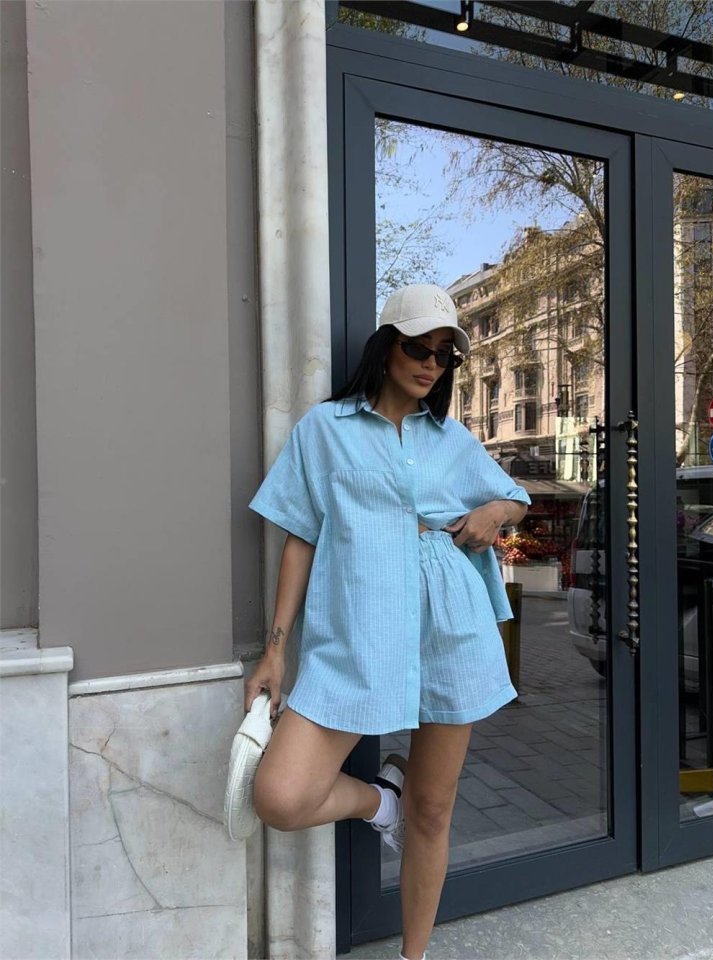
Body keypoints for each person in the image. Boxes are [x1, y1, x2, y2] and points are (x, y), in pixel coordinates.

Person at [245, 283, 530, 960]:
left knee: (434, 810)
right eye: (417, 348)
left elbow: (514, 496)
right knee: (280, 797)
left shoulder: (452, 438)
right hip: (358, 633)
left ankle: (413, 955)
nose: (431, 364)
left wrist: (495, 512)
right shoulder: (325, 430)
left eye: (444, 356)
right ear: (385, 347)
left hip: (450, 629)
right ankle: (381, 804)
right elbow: (301, 538)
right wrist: (276, 650)